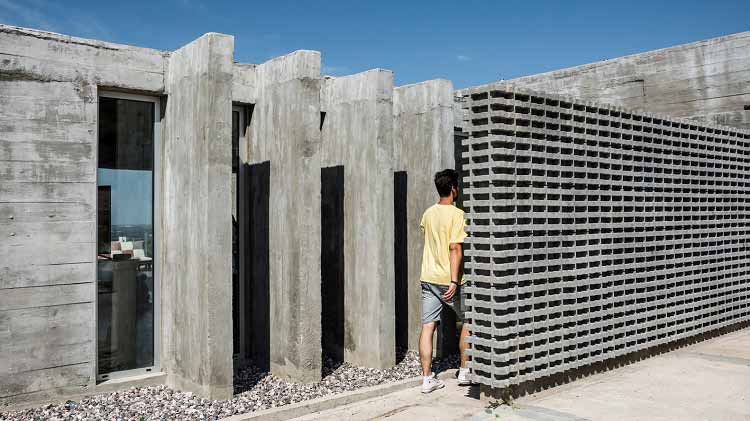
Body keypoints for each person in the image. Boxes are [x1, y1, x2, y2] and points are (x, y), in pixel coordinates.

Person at [418, 168, 471, 393]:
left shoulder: (428, 213)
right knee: (469, 321)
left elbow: (430, 239)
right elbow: (455, 248)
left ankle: (427, 379)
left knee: (428, 326)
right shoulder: (457, 215)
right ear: (453, 189)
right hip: (449, 280)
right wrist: (453, 281)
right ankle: (466, 372)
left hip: (428, 278)